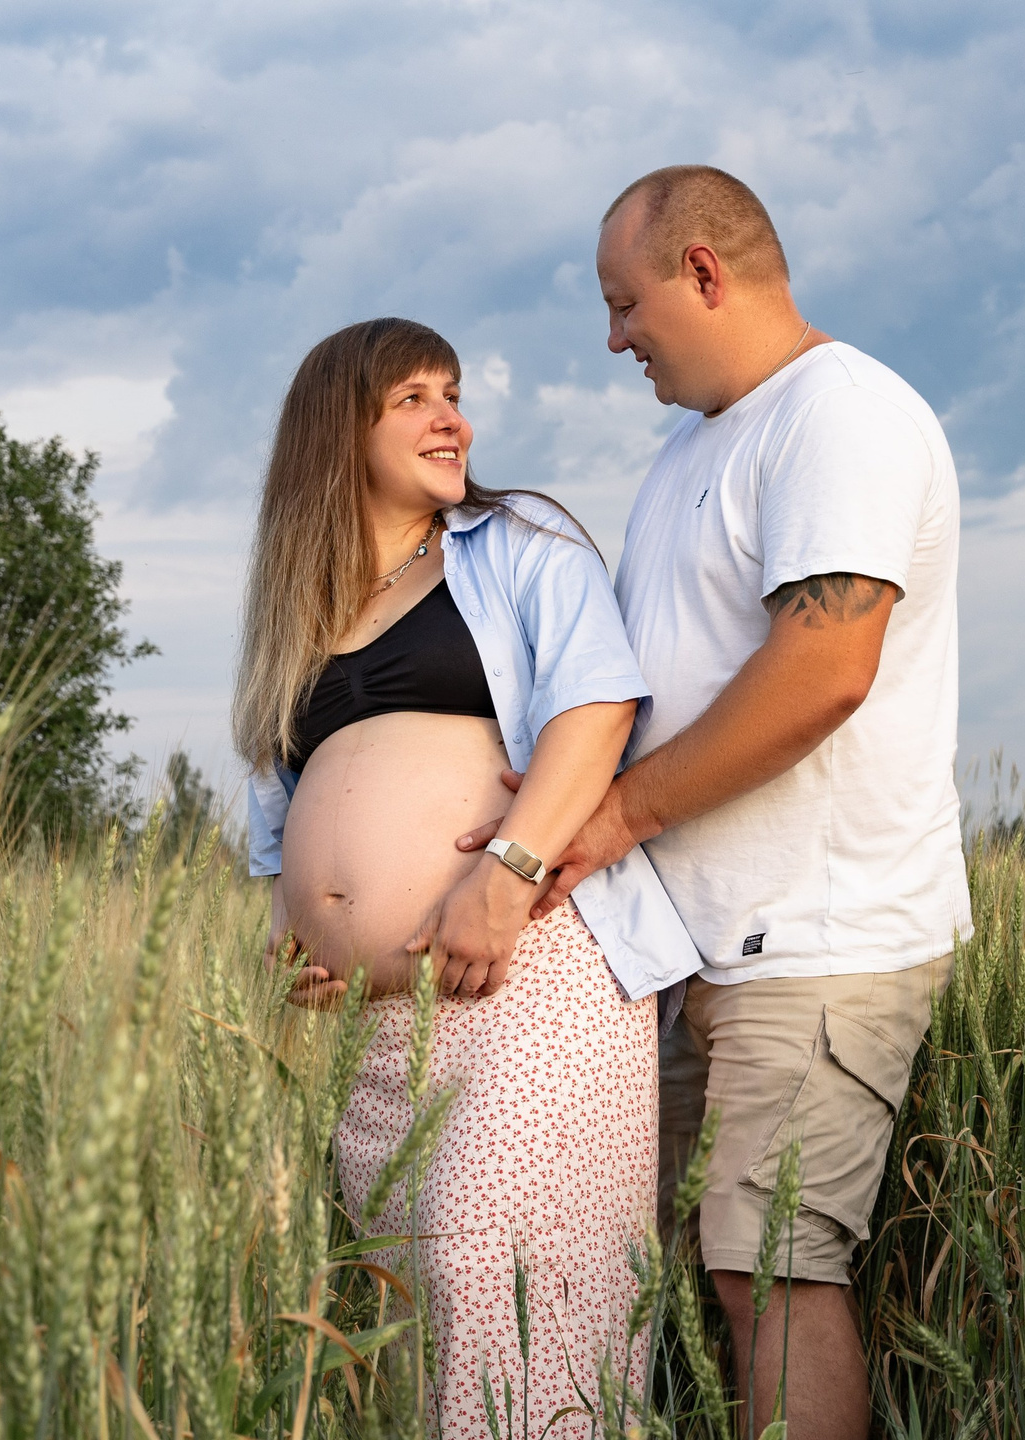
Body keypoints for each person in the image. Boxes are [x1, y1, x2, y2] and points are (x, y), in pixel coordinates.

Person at [459, 166, 968, 1439]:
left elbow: (824, 666)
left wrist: (618, 814)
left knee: (771, 1271)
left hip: (815, 939)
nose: (613, 336)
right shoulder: (699, 448)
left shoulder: (838, 415)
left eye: (624, 301)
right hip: (692, 948)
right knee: (673, 1276)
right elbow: (659, 680)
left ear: (701, 271)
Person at [238, 318, 701, 1439]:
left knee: (513, 1316)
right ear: (335, 428)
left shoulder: (518, 548)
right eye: (414, 397)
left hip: (522, 984)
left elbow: (599, 710)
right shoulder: (301, 612)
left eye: (454, 393)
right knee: (423, 1337)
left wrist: (504, 875)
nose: (455, 419)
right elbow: (280, 814)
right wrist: (299, 932)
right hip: (377, 1031)